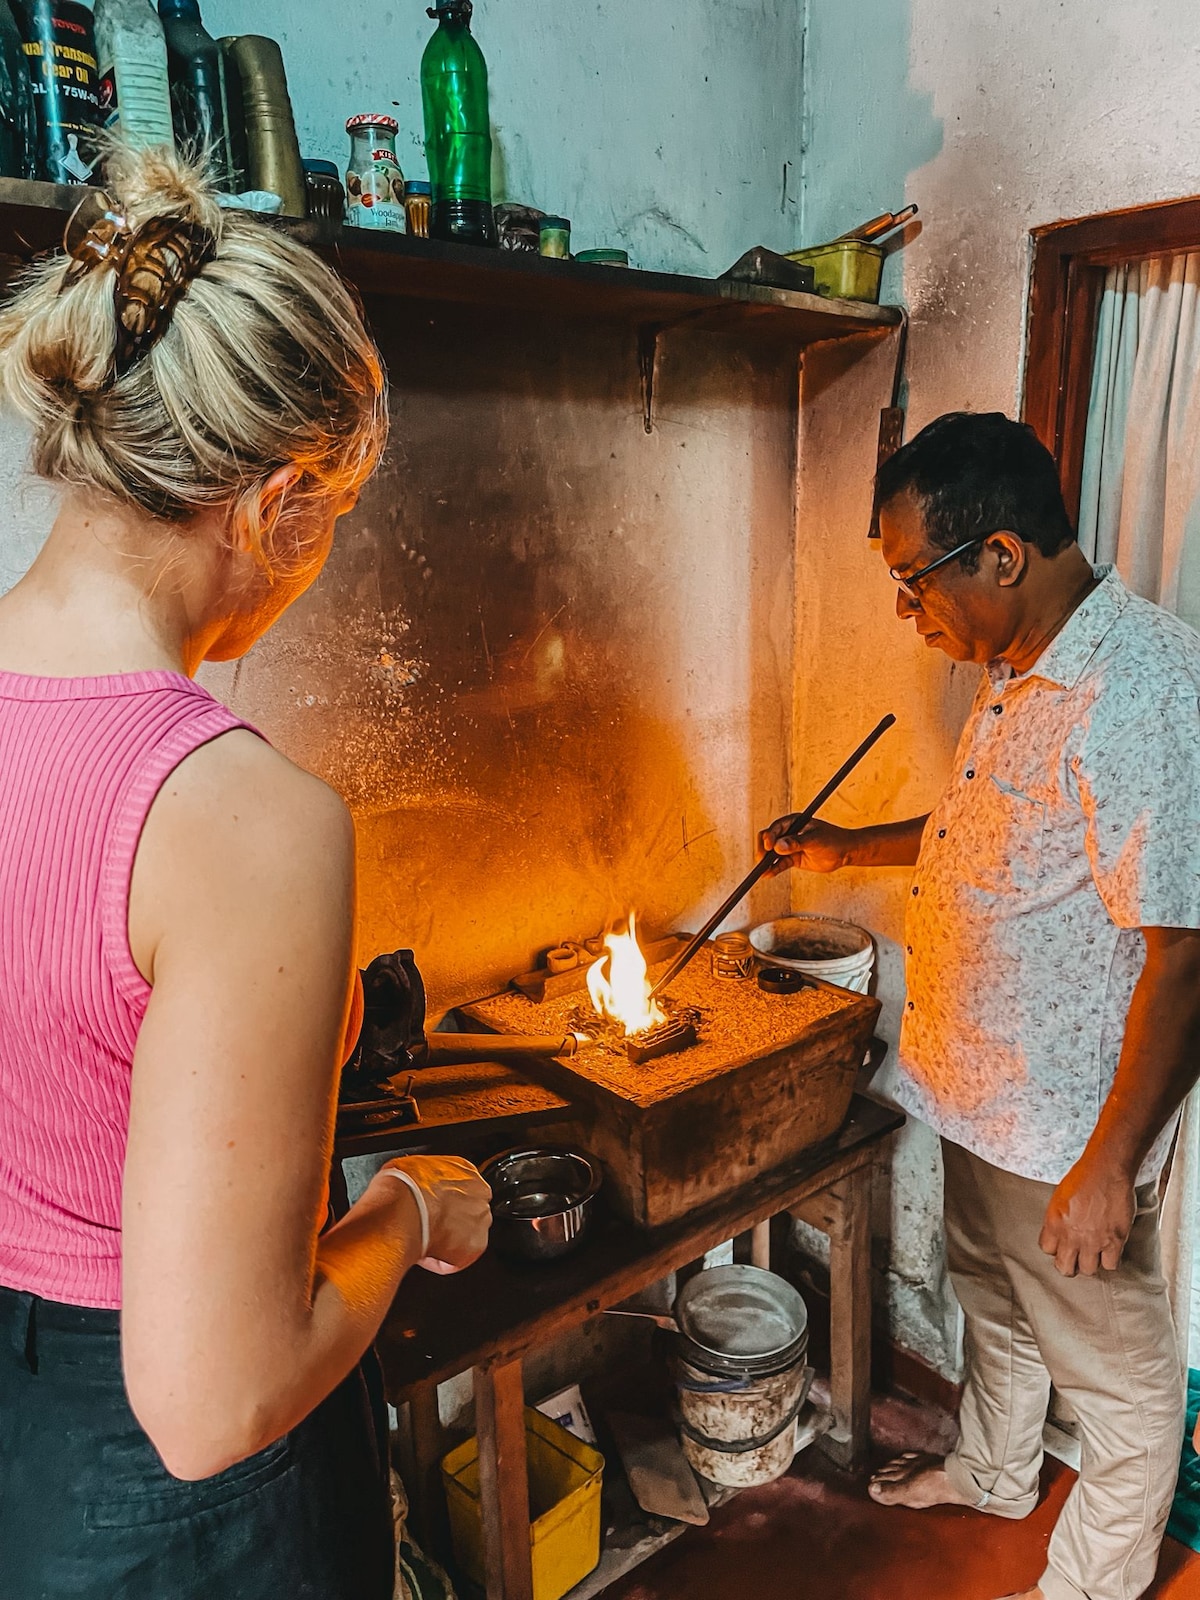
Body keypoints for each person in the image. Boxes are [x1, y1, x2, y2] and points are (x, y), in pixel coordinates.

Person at [0, 143, 492, 1599]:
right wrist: (406, 1208)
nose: (313, 563)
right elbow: (216, 1400)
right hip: (184, 1516)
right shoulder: (233, 814)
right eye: (329, 527)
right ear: (278, 502)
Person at [764, 412, 1200, 1600]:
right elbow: (987, 839)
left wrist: (1109, 1163)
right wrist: (850, 843)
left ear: (1001, 556)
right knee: (992, 1300)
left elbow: (1185, 954)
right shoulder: (1018, 672)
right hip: (975, 1087)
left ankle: (1087, 1586)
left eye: (914, 583)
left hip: (1062, 1122)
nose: (912, 614)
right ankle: (998, 1472)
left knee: (1123, 1381)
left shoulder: (1142, 690)